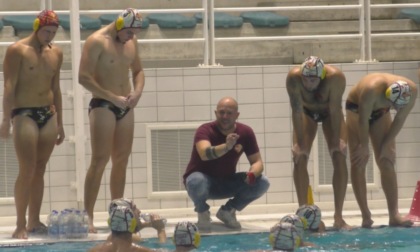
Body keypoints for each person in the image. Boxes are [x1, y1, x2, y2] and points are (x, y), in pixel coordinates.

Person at [78, 8, 145, 233]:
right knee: (99, 160)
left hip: (125, 105)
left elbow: (138, 71)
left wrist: (137, 92)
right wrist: (111, 97)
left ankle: (118, 214)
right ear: (119, 26)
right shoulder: (96, 41)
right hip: (104, 104)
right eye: (129, 33)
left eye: (135, 34)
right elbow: (83, 78)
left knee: (121, 160)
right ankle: (87, 216)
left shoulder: (131, 43)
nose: (132, 38)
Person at [0, 10, 65, 239]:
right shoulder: (17, 50)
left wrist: (61, 124)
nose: (49, 36)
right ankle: (19, 224)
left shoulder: (56, 53)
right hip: (24, 113)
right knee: (26, 170)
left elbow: (56, 89)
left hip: (48, 114)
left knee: (40, 170)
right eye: (47, 31)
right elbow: (9, 85)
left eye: (53, 32)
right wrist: (5, 119)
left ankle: (34, 221)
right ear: (37, 27)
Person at [183, 96, 270, 232]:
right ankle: (202, 211)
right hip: (203, 184)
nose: (225, 116)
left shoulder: (245, 132)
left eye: (229, 113)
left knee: (262, 182)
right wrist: (226, 147)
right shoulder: (204, 130)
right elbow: (205, 154)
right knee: (195, 180)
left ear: (237, 115)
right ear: (216, 113)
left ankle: (228, 211)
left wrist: (252, 174)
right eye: (221, 112)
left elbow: (257, 161)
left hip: (226, 182)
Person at [286, 56, 349, 230]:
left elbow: (336, 109)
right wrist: (299, 142)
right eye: (306, 78)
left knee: (339, 155)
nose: (308, 83)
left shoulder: (335, 77)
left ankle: (339, 217)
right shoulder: (293, 78)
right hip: (306, 113)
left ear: (321, 77)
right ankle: (305, 216)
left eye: (313, 80)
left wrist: (337, 140)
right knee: (299, 157)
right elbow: (297, 110)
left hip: (330, 114)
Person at [346, 73, 417, 228]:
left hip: (380, 112)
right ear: (387, 96)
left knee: (386, 160)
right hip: (357, 109)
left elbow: (399, 119)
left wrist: (387, 143)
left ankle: (394, 215)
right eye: (393, 106)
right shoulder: (371, 89)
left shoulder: (411, 91)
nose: (395, 109)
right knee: (359, 159)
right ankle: (366, 215)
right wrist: (364, 146)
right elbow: (363, 120)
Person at [89, 198, 165, 252]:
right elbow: (163, 247)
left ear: (110, 223)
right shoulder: (142, 249)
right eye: (134, 208)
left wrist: (145, 225)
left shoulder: (94, 250)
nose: (139, 211)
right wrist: (161, 230)